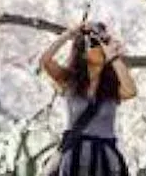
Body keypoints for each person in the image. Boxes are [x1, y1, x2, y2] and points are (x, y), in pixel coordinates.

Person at [39, 21, 138, 176]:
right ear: (83, 51)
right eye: (94, 44)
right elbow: (45, 61)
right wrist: (69, 34)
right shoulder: (69, 81)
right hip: (74, 157)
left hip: (105, 157)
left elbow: (131, 91)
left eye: (102, 43)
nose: (100, 47)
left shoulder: (112, 87)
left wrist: (113, 55)